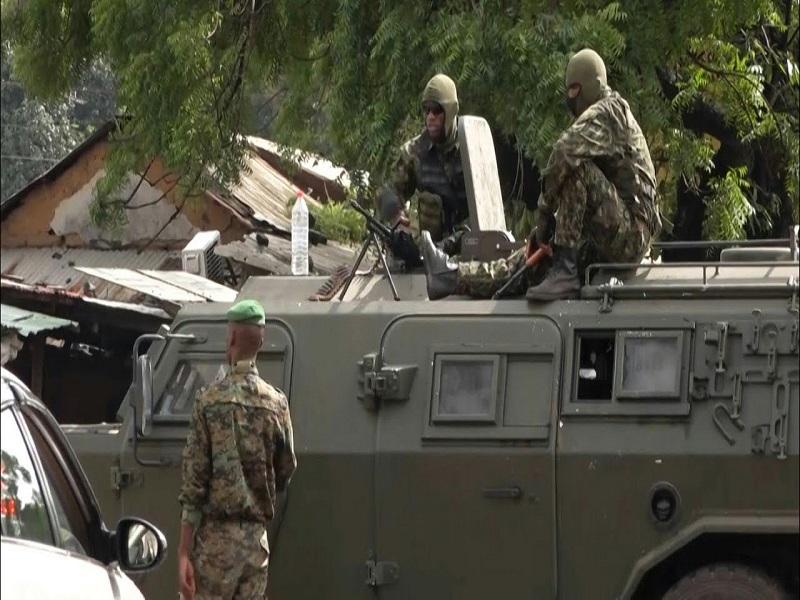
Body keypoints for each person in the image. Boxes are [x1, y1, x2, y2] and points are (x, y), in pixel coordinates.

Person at [421, 48, 662, 301]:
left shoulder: (611, 111)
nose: (571, 98)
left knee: (575, 167)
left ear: (594, 86)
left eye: (576, 91)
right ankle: (448, 276)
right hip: (611, 234)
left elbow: (564, 152)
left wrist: (545, 215)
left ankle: (566, 274)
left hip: (631, 236)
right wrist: (549, 233)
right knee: (531, 262)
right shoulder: (599, 123)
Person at [178, 299, 297, 600]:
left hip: (216, 545)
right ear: (262, 341)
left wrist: (182, 553)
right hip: (256, 547)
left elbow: (195, 482)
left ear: (231, 338)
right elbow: (286, 469)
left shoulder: (208, 401)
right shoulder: (277, 403)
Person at [377, 73, 471, 266]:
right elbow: (388, 190)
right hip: (428, 254)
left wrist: (443, 247)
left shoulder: (472, 150)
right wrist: (395, 213)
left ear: (450, 111)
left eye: (437, 110)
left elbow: (486, 216)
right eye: (426, 110)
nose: (430, 117)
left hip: (467, 253)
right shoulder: (416, 151)